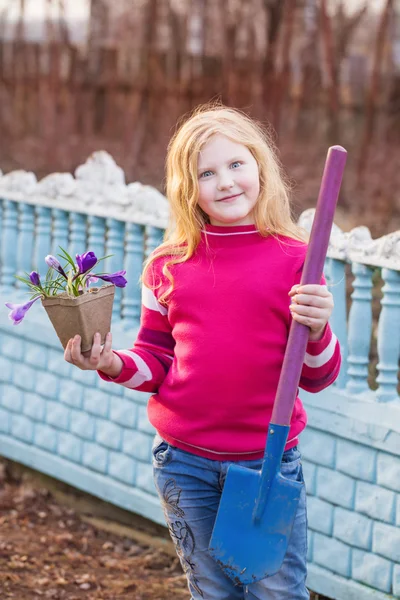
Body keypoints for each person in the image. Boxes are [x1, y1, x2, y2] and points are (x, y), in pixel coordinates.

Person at [64, 104, 341, 600]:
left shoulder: (296, 260)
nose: (226, 181)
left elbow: (318, 377)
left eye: (236, 164)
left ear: (260, 165)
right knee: (212, 591)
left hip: (266, 463)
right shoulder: (168, 266)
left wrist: (319, 328)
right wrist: (109, 362)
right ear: (187, 189)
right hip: (183, 462)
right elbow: (154, 360)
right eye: (206, 173)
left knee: (275, 592)